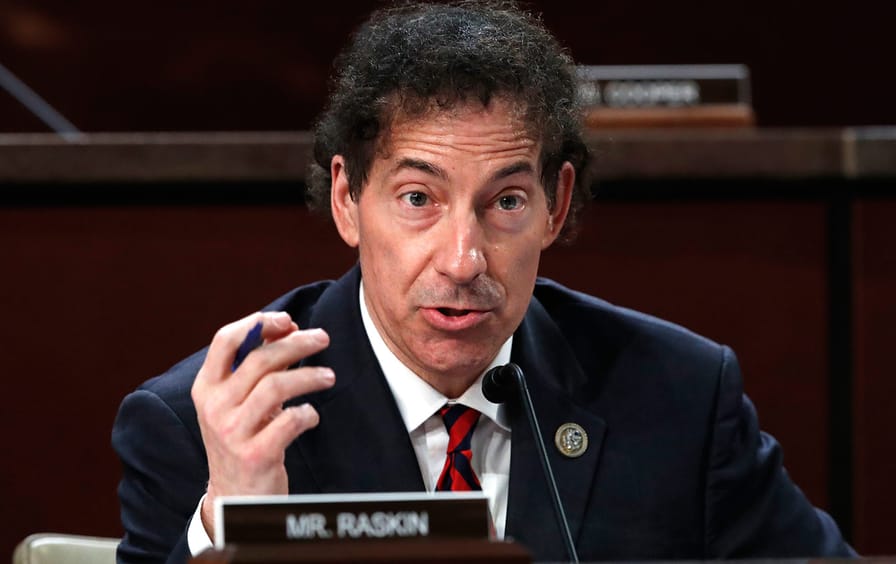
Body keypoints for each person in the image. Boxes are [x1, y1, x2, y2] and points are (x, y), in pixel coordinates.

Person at [111, 2, 855, 562]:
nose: (463, 260)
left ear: (555, 207)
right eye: (417, 200)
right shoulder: (204, 428)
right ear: (347, 199)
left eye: (505, 202)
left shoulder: (679, 398)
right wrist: (234, 523)